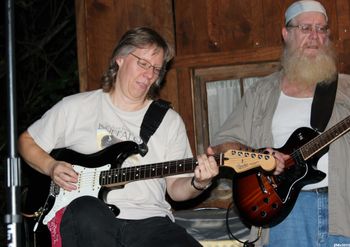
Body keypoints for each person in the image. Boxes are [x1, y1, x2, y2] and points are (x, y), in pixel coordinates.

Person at [18, 27, 219, 247]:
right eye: (143, 64)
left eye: (156, 69)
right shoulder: (76, 107)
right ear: (120, 59)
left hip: (149, 222)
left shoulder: (169, 121)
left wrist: (200, 182)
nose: (149, 75)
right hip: (88, 217)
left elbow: (176, 189)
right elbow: (27, 141)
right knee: (88, 212)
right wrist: (50, 166)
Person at [211, 1, 350, 247]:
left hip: (343, 209)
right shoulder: (261, 92)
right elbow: (223, 146)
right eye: (306, 28)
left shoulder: (347, 88)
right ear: (286, 34)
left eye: (321, 29)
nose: (315, 36)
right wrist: (260, 158)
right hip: (284, 214)